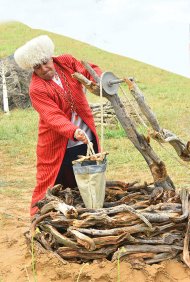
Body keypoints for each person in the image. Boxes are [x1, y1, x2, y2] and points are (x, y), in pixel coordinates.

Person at [14, 35, 102, 217]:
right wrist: (73, 130)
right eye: (37, 67)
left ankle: (85, 217)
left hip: (86, 137)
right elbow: (52, 116)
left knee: (86, 180)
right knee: (49, 183)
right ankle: (38, 221)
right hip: (55, 143)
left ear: (50, 57)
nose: (43, 69)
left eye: (45, 62)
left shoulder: (66, 62)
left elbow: (89, 70)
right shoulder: (36, 88)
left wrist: (101, 79)